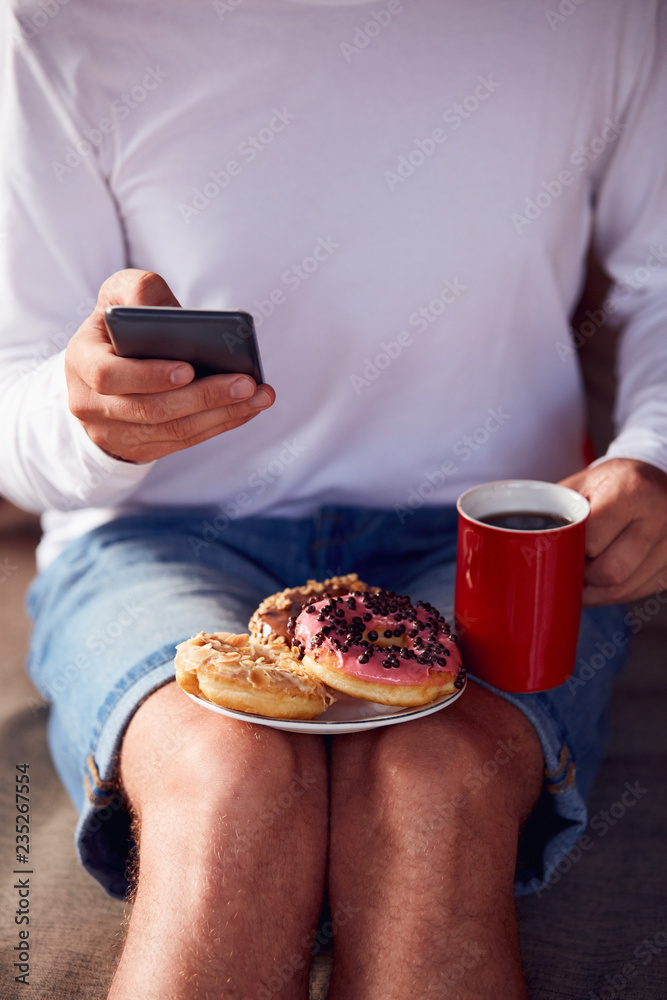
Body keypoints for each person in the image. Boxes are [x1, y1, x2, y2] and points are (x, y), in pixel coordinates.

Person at [1, 1, 666, 996]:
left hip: (496, 532)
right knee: (229, 782)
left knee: (432, 784)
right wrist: (81, 412)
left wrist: (655, 455)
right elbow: (17, 394)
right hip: (157, 539)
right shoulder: (53, 23)